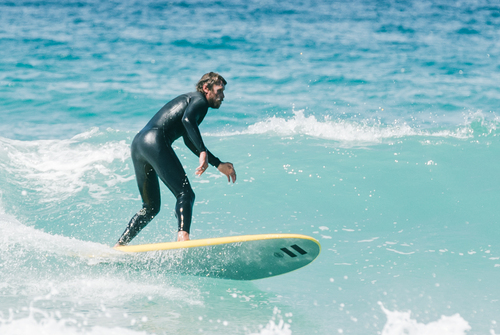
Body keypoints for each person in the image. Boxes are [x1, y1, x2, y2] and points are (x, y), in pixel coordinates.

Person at [114, 72, 236, 246]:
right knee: (185, 193)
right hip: (155, 141)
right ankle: (183, 237)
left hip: (139, 144)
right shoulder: (200, 101)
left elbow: (188, 139)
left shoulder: (192, 100)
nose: (222, 96)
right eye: (219, 91)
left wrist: (217, 163)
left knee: (150, 207)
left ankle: (120, 245)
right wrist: (203, 151)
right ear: (206, 88)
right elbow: (188, 121)